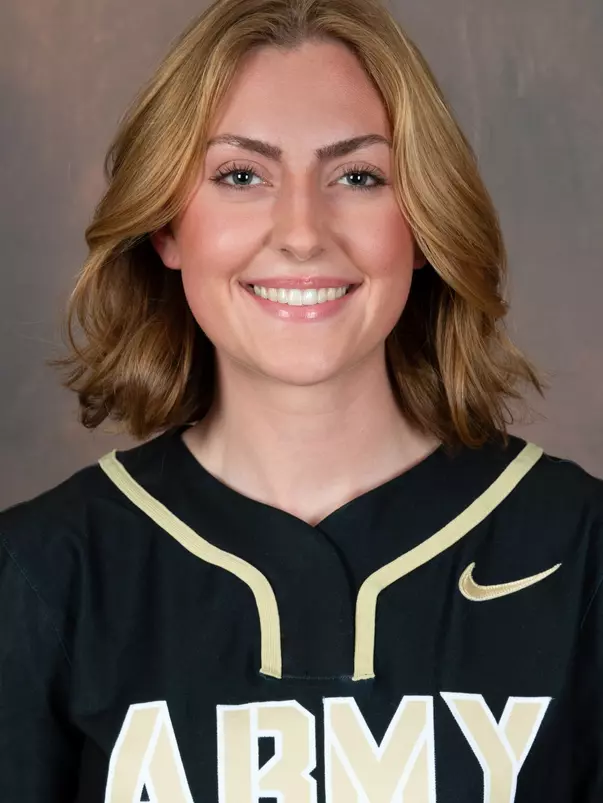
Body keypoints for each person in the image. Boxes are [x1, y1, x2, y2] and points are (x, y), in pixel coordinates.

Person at [1, 0, 602, 799]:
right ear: (167, 229)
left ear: (420, 223)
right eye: (240, 175)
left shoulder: (579, 549)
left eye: (357, 176)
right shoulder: (42, 571)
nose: (301, 231)